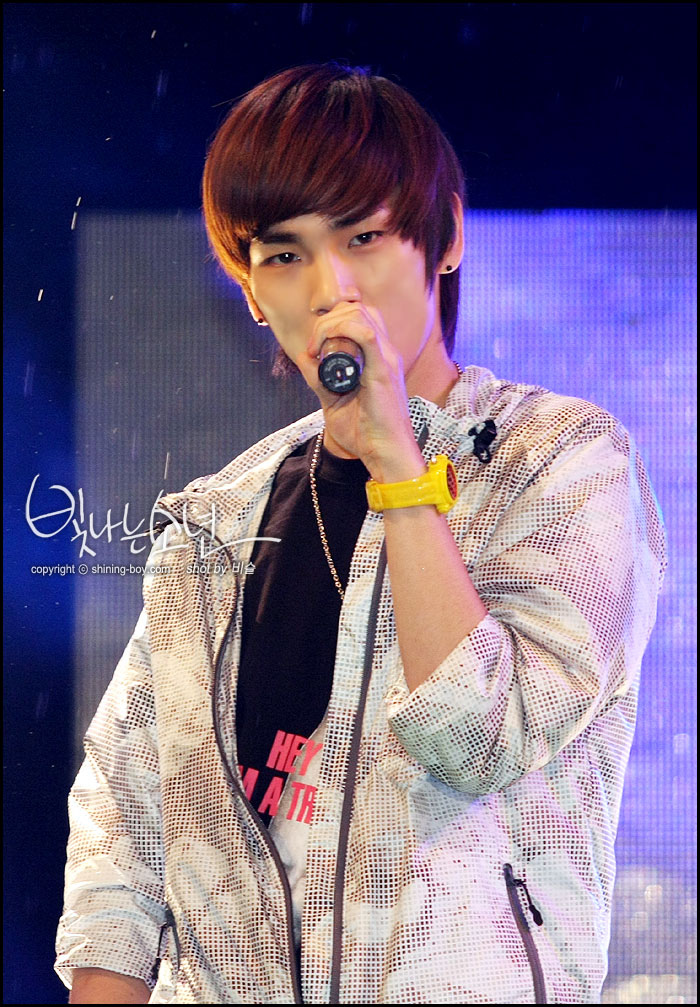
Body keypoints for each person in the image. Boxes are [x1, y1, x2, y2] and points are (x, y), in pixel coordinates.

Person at [56, 62, 666, 1005]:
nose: (329, 287)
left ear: (445, 237)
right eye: (284, 254)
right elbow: (125, 830)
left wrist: (396, 461)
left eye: (363, 236)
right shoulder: (216, 524)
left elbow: (480, 738)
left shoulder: (563, 463)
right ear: (249, 289)